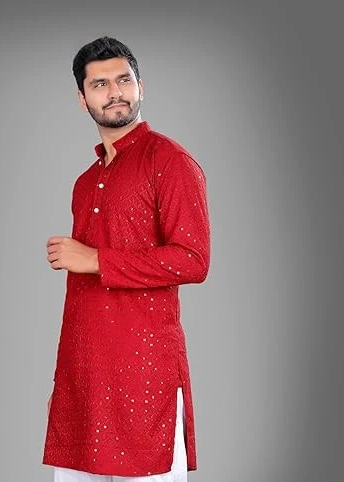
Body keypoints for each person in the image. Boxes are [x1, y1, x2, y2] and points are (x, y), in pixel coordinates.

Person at [42, 36, 211, 482]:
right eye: (99, 84)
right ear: (83, 99)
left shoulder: (170, 161)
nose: (114, 92)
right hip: (84, 380)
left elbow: (193, 259)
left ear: (140, 86)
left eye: (123, 80)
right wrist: (65, 379)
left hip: (146, 378)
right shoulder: (85, 183)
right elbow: (82, 288)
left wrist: (98, 260)